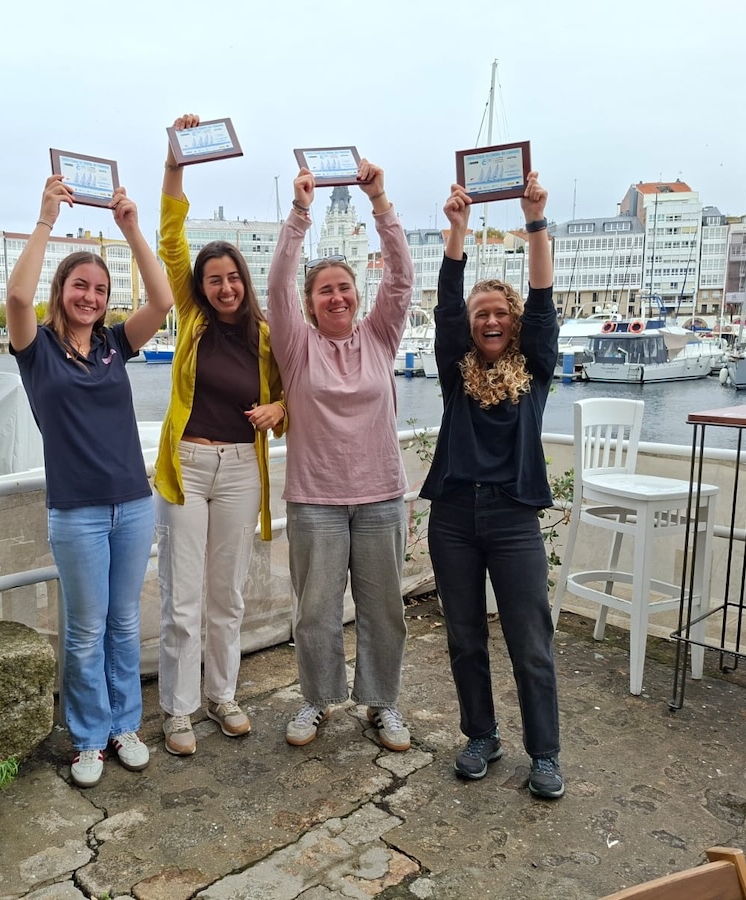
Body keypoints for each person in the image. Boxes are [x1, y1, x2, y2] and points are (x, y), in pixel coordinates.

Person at [6, 175, 174, 789]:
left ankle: (125, 725)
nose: (91, 296)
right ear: (62, 289)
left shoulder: (113, 345)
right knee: (83, 632)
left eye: (100, 289)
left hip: (133, 503)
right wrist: (46, 219)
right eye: (80, 285)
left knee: (124, 623)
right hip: (76, 511)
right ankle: (87, 738)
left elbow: (162, 301)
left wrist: (131, 228)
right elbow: (16, 297)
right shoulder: (37, 349)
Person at [419, 172, 565, 799]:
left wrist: (534, 221)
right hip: (453, 517)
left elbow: (543, 297)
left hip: (513, 519)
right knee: (464, 637)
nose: (490, 320)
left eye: (500, 312)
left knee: (530, 642)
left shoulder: (535, 368)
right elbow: (447, 304)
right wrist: (457, 230)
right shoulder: (456, 372)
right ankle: (481, 735)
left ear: (514, 322)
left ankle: (545, 754)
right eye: (481, 314)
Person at [267, 160, 415, 752]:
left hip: (380, 495)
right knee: (316, 612)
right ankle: (318, 698)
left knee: (383, 610)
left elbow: (400, 279)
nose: (336, 296)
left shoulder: (380, 336)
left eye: (344, 287)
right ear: (308, 303)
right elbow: (277, 284)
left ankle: (382, 702)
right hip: (316, 500)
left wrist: (380, 202)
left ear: (357, 296)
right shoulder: (296, 346)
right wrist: (300, 213)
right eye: (324, 289)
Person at [154, 114, 287, 756]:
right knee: (182, 597)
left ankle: (223, 695)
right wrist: (174, 159)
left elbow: (295, 396)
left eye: (233, 277)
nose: (225, 287)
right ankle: (179, 710)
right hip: (187, 465)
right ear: (202, 287)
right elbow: (171, 239)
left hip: (240, 469)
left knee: (227, 595)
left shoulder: (265, 336)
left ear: (244, 281)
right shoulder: (191, 319)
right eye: (214, 279)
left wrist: (278, 408)